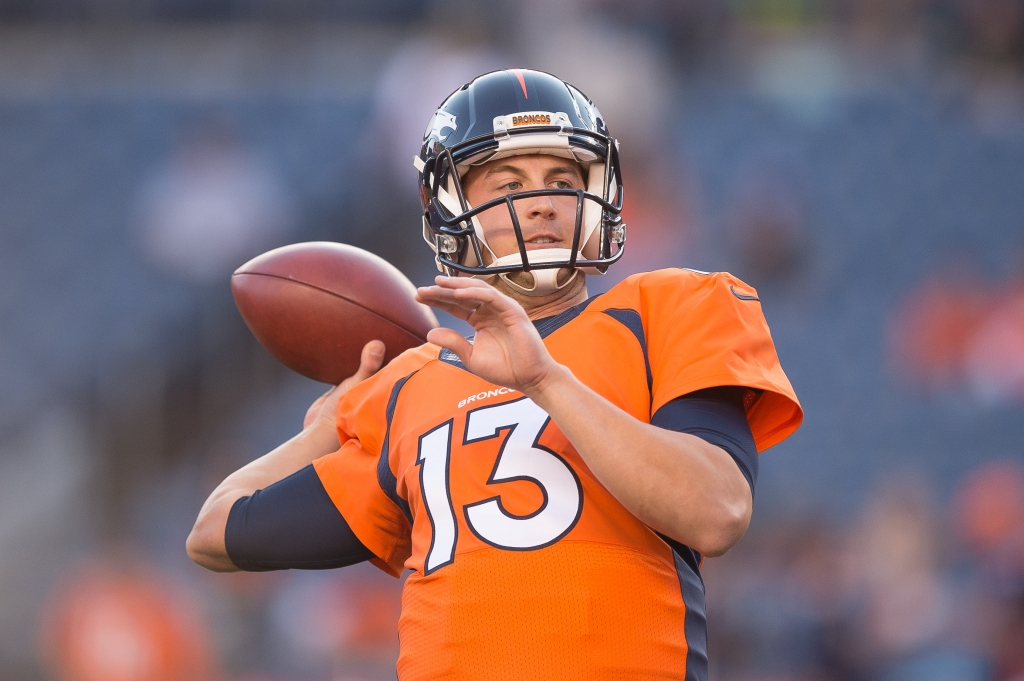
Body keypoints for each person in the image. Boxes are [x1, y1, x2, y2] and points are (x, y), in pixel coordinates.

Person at [187, 69, 803, 680]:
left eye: (562, 179)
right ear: (454, 208)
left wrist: (546, 380)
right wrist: (321, 431)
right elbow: (215, 534)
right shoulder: (407, 385)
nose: (541, 201)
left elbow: (717, 511)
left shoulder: (670, 307)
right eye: (508, 181)